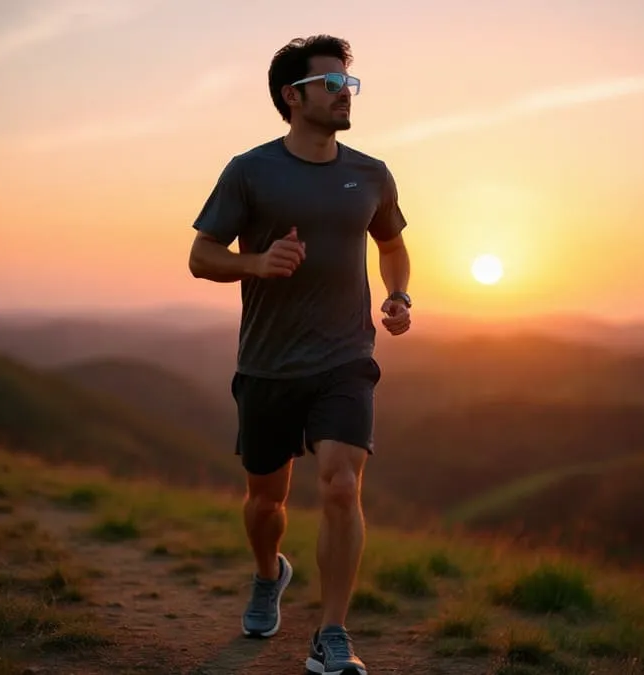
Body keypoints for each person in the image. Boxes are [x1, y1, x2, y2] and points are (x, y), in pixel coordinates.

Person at [187, 34, 411, 675]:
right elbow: (202, 256)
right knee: (266, 503)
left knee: (343, 485)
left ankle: (331, 635)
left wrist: (398, 294)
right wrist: (256, 262)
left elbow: (391, 244)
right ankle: (268, 574)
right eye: (332, 83)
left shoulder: (370, 172)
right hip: (268, 364)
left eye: (350, 83)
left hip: (346, 358)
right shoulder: (250, 170)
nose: (346, 94)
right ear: (293, 96)